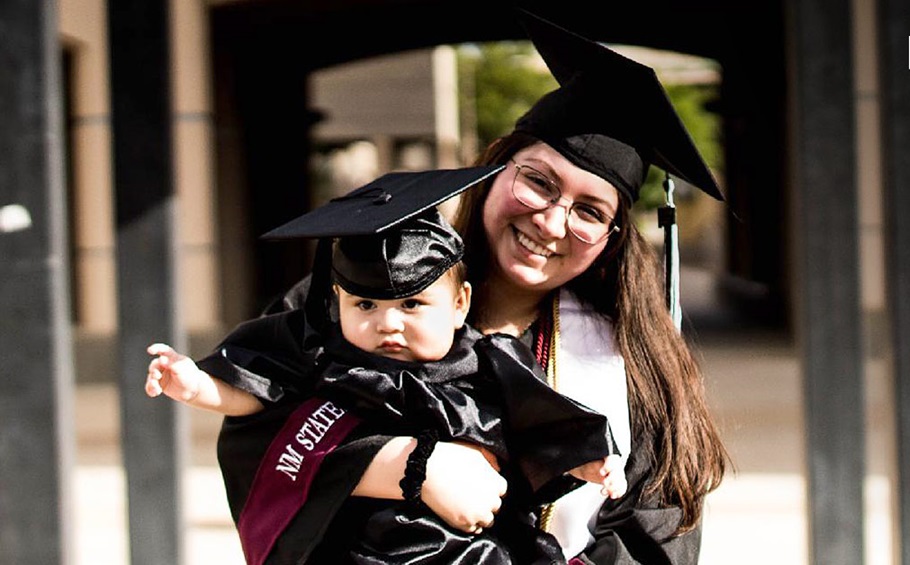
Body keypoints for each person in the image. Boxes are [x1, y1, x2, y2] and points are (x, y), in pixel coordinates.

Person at [205, 10, 729, 565]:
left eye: (590, 211)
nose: (551, 223)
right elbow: (260, 434)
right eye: (538, 181)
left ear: (612, 238)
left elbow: (657, 538)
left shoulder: (634, 366)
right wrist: (406, 465)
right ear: (495, 168)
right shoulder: (362, 288)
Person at [148, 167, 627, 564]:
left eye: (413, 305)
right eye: (365, 306)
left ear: (460, 304)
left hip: (467, 550)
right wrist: (195, 385)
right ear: (337, 302)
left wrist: (592, 460)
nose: (387, 324)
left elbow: (545, 424)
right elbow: (256, 391)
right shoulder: (326, 356)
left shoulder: (488, 361)